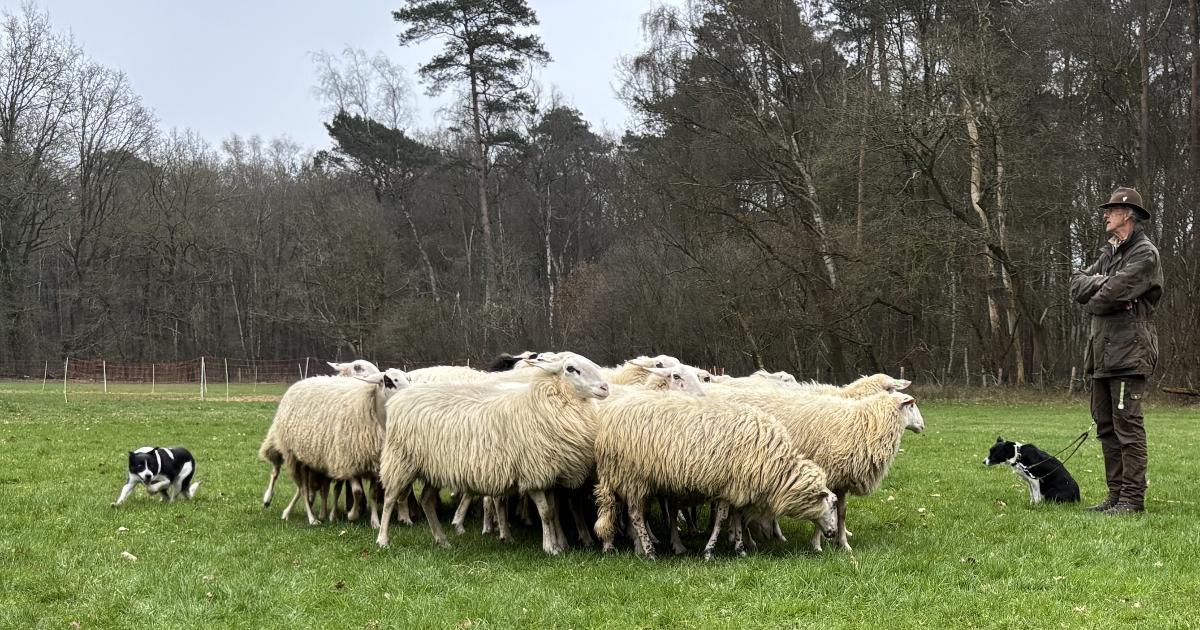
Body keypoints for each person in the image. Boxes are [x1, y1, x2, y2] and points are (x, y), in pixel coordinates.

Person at [1069, 187, 1163, 514]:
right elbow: (1078, 285)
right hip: (1101, 355)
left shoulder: (1144, 254)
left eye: (1111, 209)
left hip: (1129, 354)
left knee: (1128, 428)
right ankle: (1115, 496)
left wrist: (1100, 288)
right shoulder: (1110, 251)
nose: (1105, 214)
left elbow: (1109, 293)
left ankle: (1132, 500)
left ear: (1127, 214)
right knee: (1106, 427)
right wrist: (1099, 285)